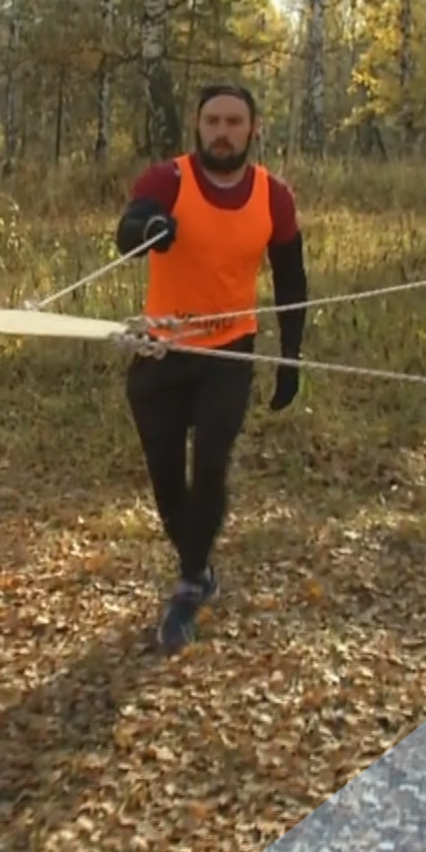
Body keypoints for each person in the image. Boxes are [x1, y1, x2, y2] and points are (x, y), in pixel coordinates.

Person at [114, 84, 307, 655]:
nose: (222, 132)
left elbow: (292, 281)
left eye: (234, 122)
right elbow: (128, 229)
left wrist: (290, 358)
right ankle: (194, 559)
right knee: (167, 475)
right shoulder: (167, 180)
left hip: (229, 351)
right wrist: (148, 229)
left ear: (253, 129)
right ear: (197, 127)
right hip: (159, 352)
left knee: (213, 462)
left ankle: (189, 582)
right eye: (213, 121)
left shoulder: (274, 198)